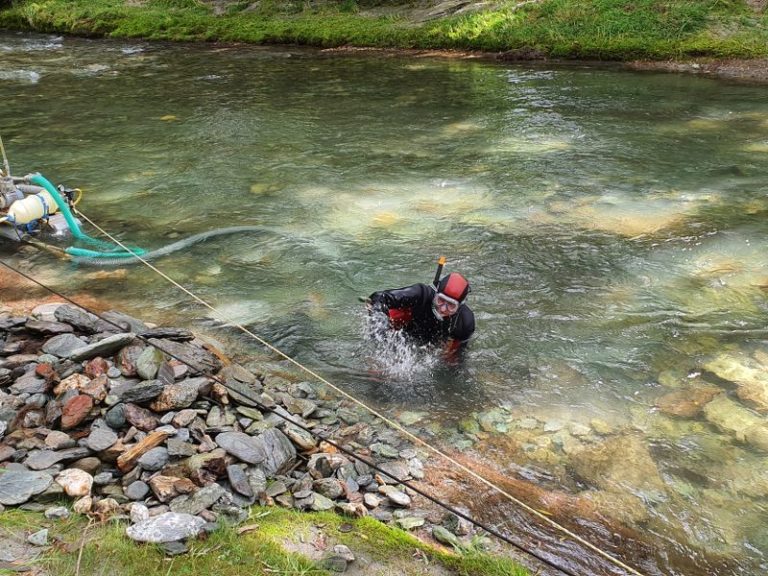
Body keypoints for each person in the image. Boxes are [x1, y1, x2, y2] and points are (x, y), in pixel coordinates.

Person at [367, 270, 475, 362]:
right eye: (441, 300)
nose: (442, 309)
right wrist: (382, 341)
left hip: (433, 342)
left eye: (451, 305)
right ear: (436, 293)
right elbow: (377, 298)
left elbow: (455, 359)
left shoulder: (465, 322)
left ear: (460, 306)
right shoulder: (421, 294)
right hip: (402, 328)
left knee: (451, 359)